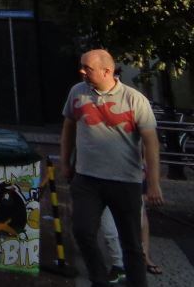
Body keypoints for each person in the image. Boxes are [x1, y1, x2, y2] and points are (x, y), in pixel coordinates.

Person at [61, 48, 163, 287]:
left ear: (107, 71)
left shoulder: (134, 99)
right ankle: (99, 279)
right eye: (81, 66)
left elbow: (151, 143)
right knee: (82, 231)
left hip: (125, 181)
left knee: (131, 242)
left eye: (87, 68)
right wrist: (65, 162)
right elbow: (68, 127)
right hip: (87, 179)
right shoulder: (77, 92)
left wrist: (154, 183)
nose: (82, 71)